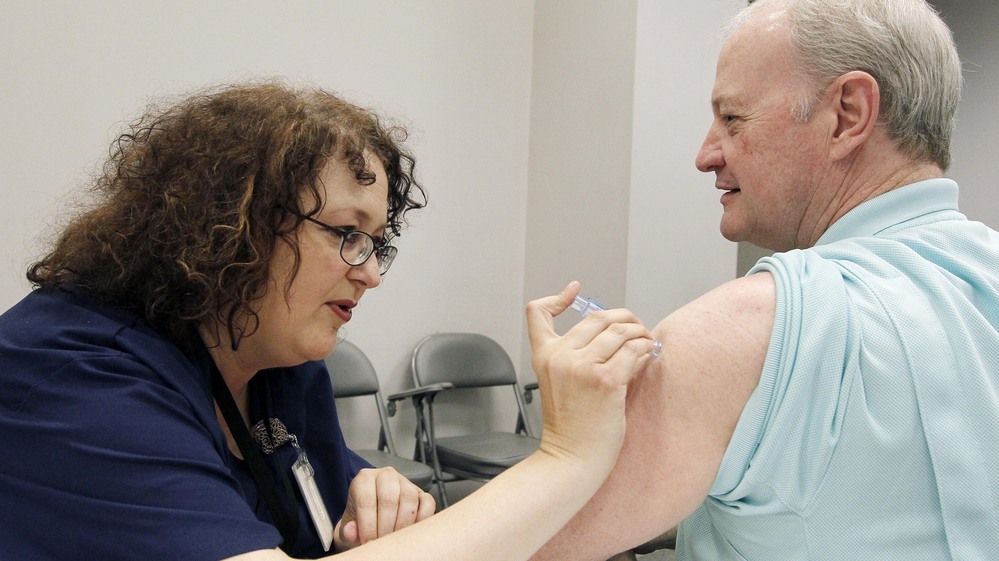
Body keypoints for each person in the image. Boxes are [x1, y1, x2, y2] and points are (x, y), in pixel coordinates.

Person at [0, 81, 657, 561]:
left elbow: (330, 516)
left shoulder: (277, 362)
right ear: (224, 223)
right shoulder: (70, 376)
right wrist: (567, 455)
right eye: (346, 233)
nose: (370, 273)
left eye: (375, 243)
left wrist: (375, 501)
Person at [528, 0, 999, 560]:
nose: (706, 155)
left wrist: (563, 451)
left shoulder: (744, 332)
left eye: (733, 118)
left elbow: (520, 548)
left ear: (848, 115)